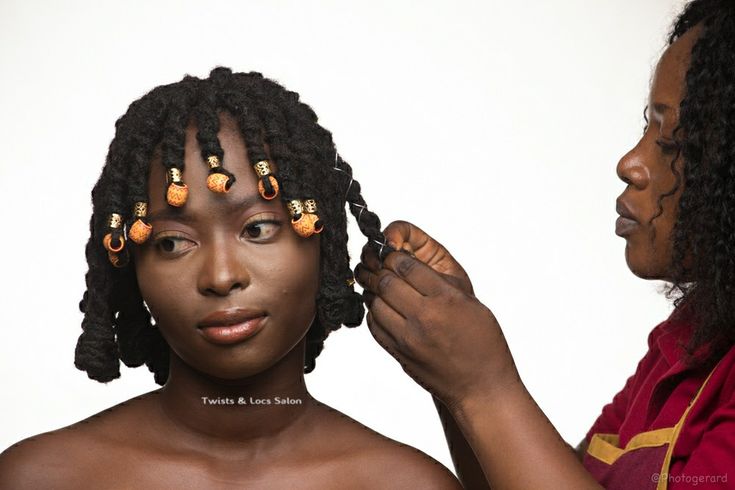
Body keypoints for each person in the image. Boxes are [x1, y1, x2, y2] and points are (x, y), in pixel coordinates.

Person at [0, 68, 461, 489]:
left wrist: (473, 385)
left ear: (325, 242)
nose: (221, 278)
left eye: (258, 228)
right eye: (171, 243)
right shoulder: (42, 477)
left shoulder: (405, 484)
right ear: (130, 266)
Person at [356, 1, 735, 488]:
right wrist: (453, 376)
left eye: (670, 143)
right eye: (647, 128)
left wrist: (482, 386)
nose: (630, 163)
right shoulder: (683, 345)